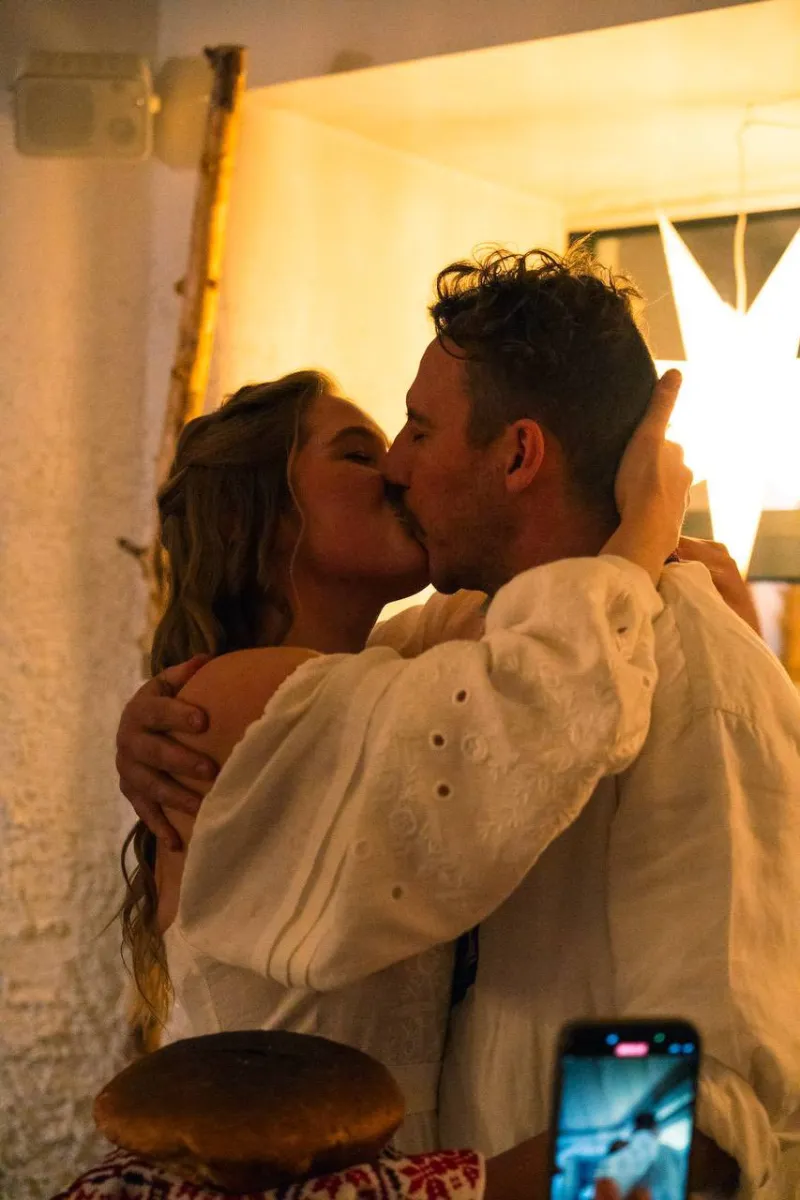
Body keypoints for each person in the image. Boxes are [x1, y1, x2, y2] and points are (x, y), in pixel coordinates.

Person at [117, 247, 800, 1196]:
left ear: (518, 454)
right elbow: (521, 691)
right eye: (368, 448)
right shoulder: (460, 671)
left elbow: (690, 1101)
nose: (398, 466)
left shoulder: (675, 658)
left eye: (418, 429)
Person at [595, 1115, 684, 1200]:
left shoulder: (629, 1145)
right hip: (614, 1185)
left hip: (605, 1180)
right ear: (655, 1128)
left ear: (635, 1128)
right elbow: (670, 1188)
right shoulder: (659, 1148)